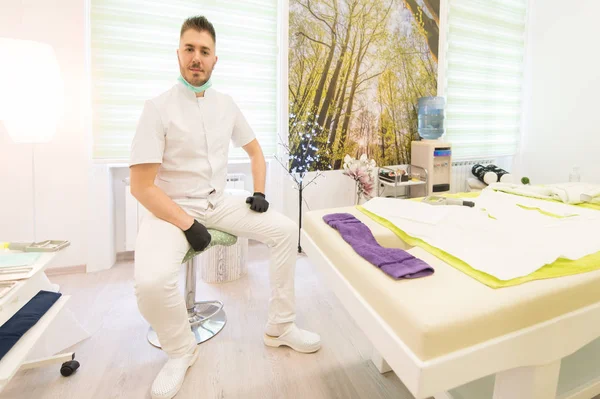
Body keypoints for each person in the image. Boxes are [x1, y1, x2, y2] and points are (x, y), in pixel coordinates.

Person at [129, 15, 321, 399]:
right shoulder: (157, 108)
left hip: (218, 203)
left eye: (204, 51)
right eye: (189, 49)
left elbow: (255, 152)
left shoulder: (226, 105)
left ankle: (280, 327)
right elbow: (141, 186)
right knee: (150, 284)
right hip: (169, 211)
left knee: (285, 231)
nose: (196, 58)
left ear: (215, 59)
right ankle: (181, 352)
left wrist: (261, 192)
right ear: (178, 54)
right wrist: (186, 223)